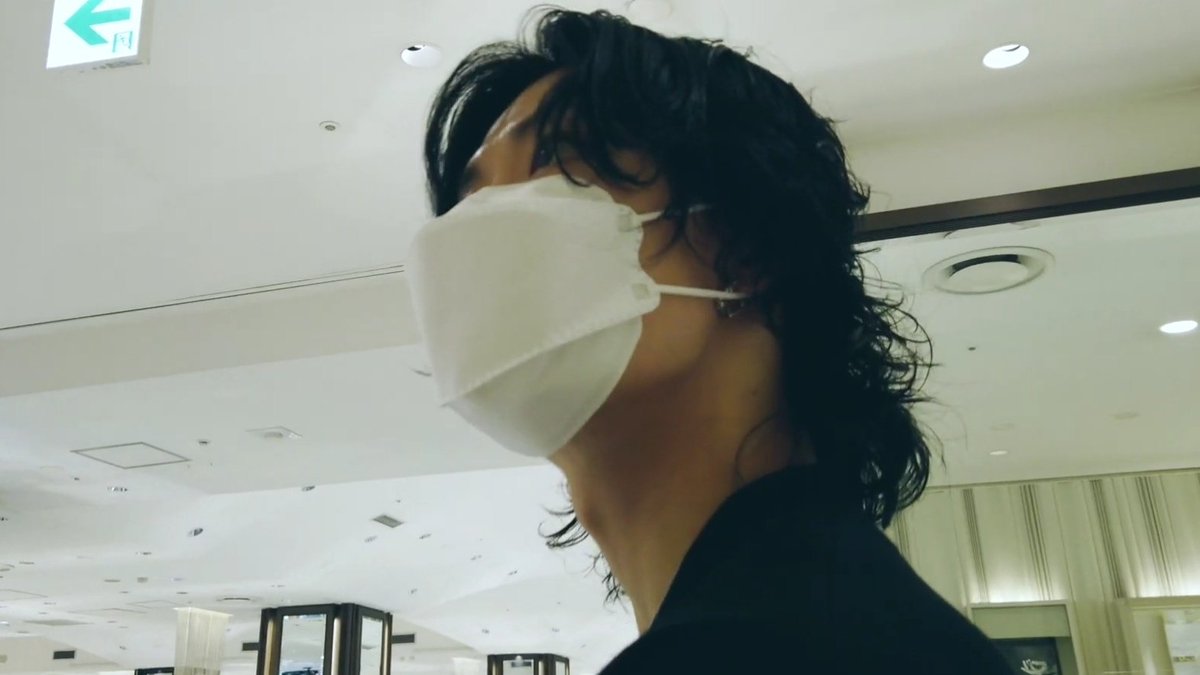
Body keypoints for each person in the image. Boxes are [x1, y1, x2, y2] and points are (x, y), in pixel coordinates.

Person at [407, 8, 1011, 674]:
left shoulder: (766, 647)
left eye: (554, 163)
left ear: (748, 248)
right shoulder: (840, 613)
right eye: (471, 196)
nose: (482, 226)